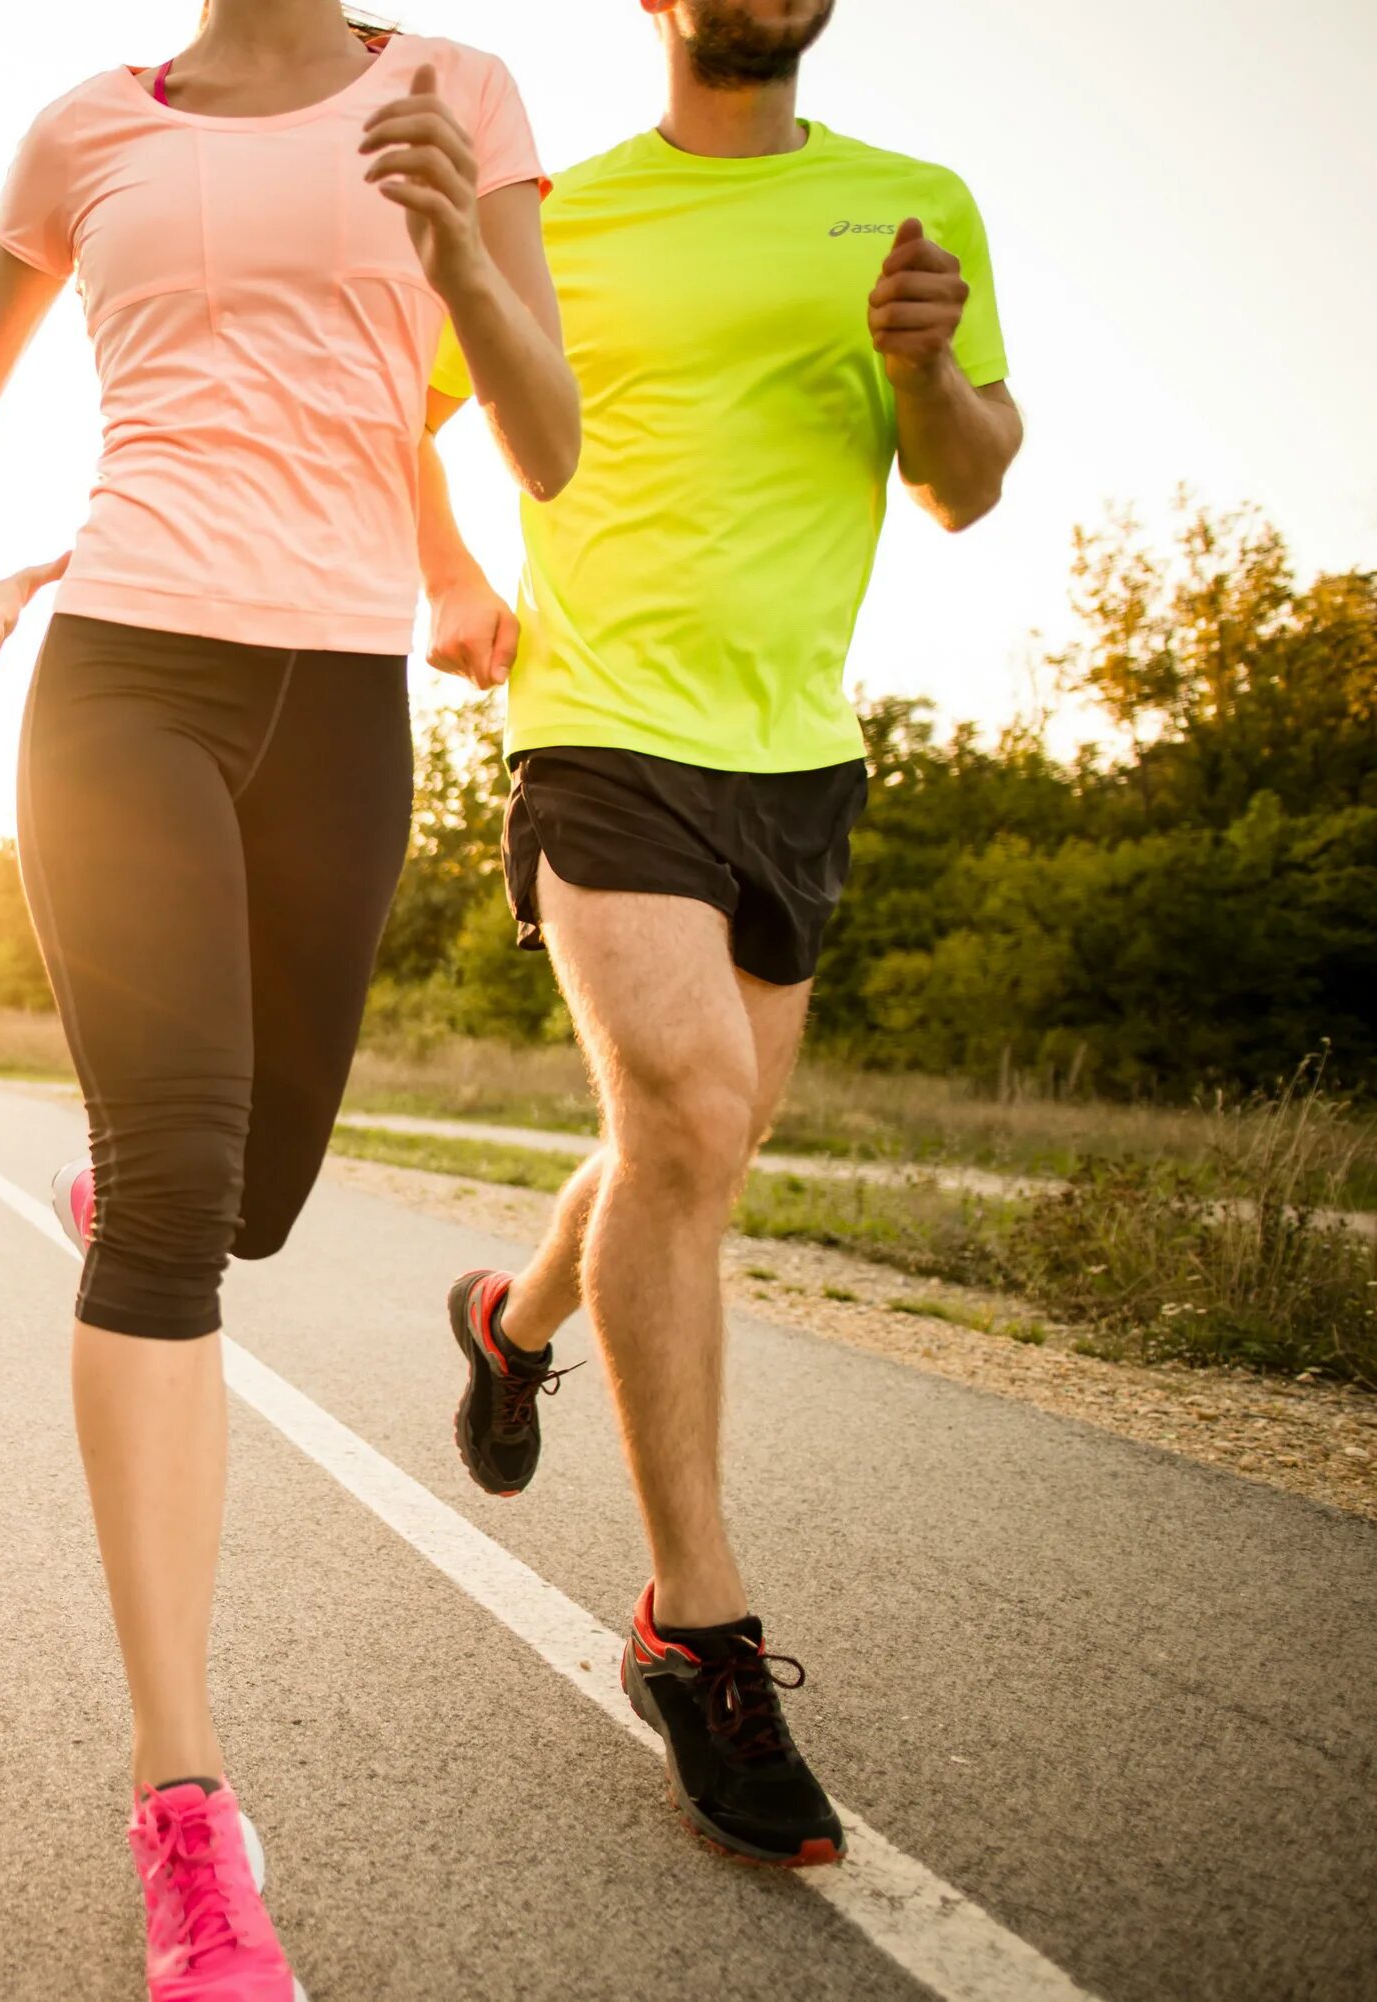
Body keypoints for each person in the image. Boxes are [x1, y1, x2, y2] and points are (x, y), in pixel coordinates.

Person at [0, 4, 577, 1994]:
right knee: (187, 1179)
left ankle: (143, 1198)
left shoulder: (460, 94)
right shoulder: (85, 130)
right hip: (120, 670)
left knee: (257, 1189)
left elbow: (547, 433)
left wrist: (464, 254)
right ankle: (186, 1815)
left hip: (335, 702)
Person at [419, 0, 1021, 1869]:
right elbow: (383, 406)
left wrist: (926, 373)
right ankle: (697, 1628)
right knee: (682, 1120)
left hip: (801, 756)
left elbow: (970, 474)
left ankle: (511, 1322)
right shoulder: (559, 215)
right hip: (598, 728)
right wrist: (449, 576)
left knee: (695, 1136)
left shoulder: (912, 209)